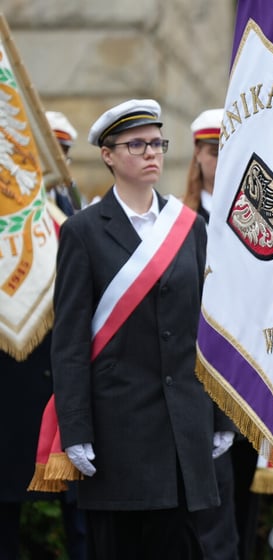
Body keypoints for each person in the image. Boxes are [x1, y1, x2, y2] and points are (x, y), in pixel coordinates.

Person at [50, 99, 235, 559]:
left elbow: (208, 328)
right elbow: (69, 342)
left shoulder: (189, 228)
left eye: (156, 143)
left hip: (183, 434)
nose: (151, 152)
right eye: (136, 144)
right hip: (119, 435)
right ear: (108, 155)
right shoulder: (83, 232)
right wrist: (75, 429)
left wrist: (220, 415)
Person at [0, 110, 87, 560]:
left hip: (66, 387)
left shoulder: (79, 216)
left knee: (82, 516)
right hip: (12, 388)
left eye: (63, 154)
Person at [184, 107, 261, 560]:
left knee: (247, 487)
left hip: (246, 367)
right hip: (198, 369)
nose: (220, 159)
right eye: (214, 150)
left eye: (230, 150)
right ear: (198, 154)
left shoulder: (257, 219)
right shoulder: (178, 218)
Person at [183, 108, 223, 222]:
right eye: (215, 153)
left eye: (229, 155)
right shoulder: (178, 213)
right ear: (198, 152)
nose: (222, 162)